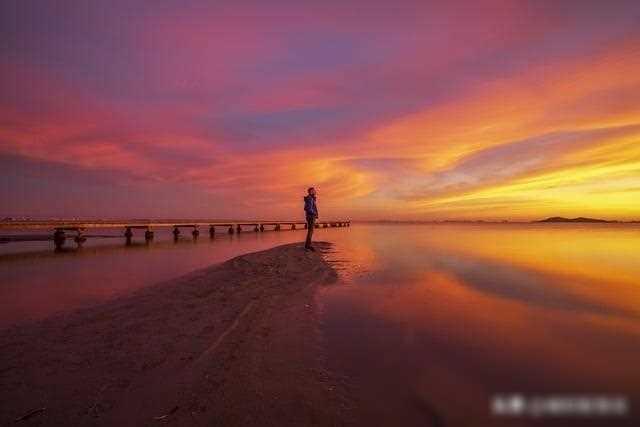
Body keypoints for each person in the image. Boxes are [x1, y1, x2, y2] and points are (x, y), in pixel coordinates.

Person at [303, 187, 318, 251]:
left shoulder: (310, 198)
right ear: (311, 191)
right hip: (311, 216)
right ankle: (308, 245)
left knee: (310, 231)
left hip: (310, 216)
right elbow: (308, 208)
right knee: (310, 231)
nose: (315, 191)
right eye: (314, 190)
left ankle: (307, 245)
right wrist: (314, 213)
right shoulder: (310, 198)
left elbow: (306, 208)